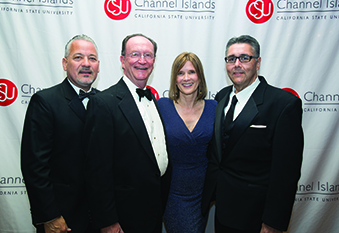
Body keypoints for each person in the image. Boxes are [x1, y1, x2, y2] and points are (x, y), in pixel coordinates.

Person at [201, 35, 304, 233]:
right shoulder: (221, 97)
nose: (237, 64)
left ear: (258, 63)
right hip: (222, 210)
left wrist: (273, 222)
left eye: (244, 58)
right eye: (231, 59)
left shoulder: (283, 104)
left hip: (255, 216)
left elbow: (286, 173)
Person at [83, 33, 172, 233]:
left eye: (148, 55)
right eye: (135, 54)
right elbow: (96, 172)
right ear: (123, 60)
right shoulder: (104, 103)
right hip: (122, 220)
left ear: (154, 61)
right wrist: (108, 222)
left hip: (154, 212)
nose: (142, 60)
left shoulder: (155, 102)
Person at [21, 35, 100, 233]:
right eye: (78, 57)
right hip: (62, 220)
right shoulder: (45, 102)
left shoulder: (105, 102)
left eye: (92, 58)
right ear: (65, 64)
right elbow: (35, 166)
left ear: (98, 65)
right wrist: (50, 216)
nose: (86, 64)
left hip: (100, 219)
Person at [157, 52, 217, 232]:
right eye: (180, 73)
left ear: (200, 77)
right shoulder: (161, 106)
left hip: (202, 194)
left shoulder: (215, 107)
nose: (186, 78)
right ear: (174, 79)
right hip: (172, 194)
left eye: (191, 72)